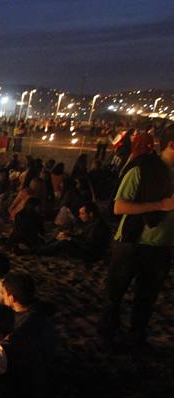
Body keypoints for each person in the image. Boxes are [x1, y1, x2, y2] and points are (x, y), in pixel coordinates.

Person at [99, 124, 174, 350]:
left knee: (147, 298)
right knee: (115, 294)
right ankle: (107, 336)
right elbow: (119, 207)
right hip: (131, 243)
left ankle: (137, 338)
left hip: (162, 246)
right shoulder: (142, 168)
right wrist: (159, 205)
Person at [38, 201, 110, 263]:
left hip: (90, 254)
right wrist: (69, 235)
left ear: (91, 214)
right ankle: (43, 247)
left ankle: (41, 251)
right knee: (62, 234)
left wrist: (70, 239)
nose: (79, 216)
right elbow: (83, 237)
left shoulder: (98, 226)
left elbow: (89, 245)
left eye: (82, 213)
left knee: (64, 243)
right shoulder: (93, 222)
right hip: (85, 248)